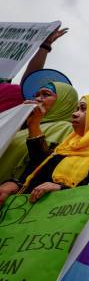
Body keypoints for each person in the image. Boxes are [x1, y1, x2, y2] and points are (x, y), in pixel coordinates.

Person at [0, 93, 89, 206]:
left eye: (84, 109)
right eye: (77, 109)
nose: (74, 114)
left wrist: (63, 189)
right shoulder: (65, 149)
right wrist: (15, 185)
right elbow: (35, 173)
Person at [0, 27, 75, 183]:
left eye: (46, 95)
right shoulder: (19, 123)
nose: (38, 98)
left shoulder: (65, 129)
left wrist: (44, 47)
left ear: (64, 103)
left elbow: (46, 164)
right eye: (37, 95)